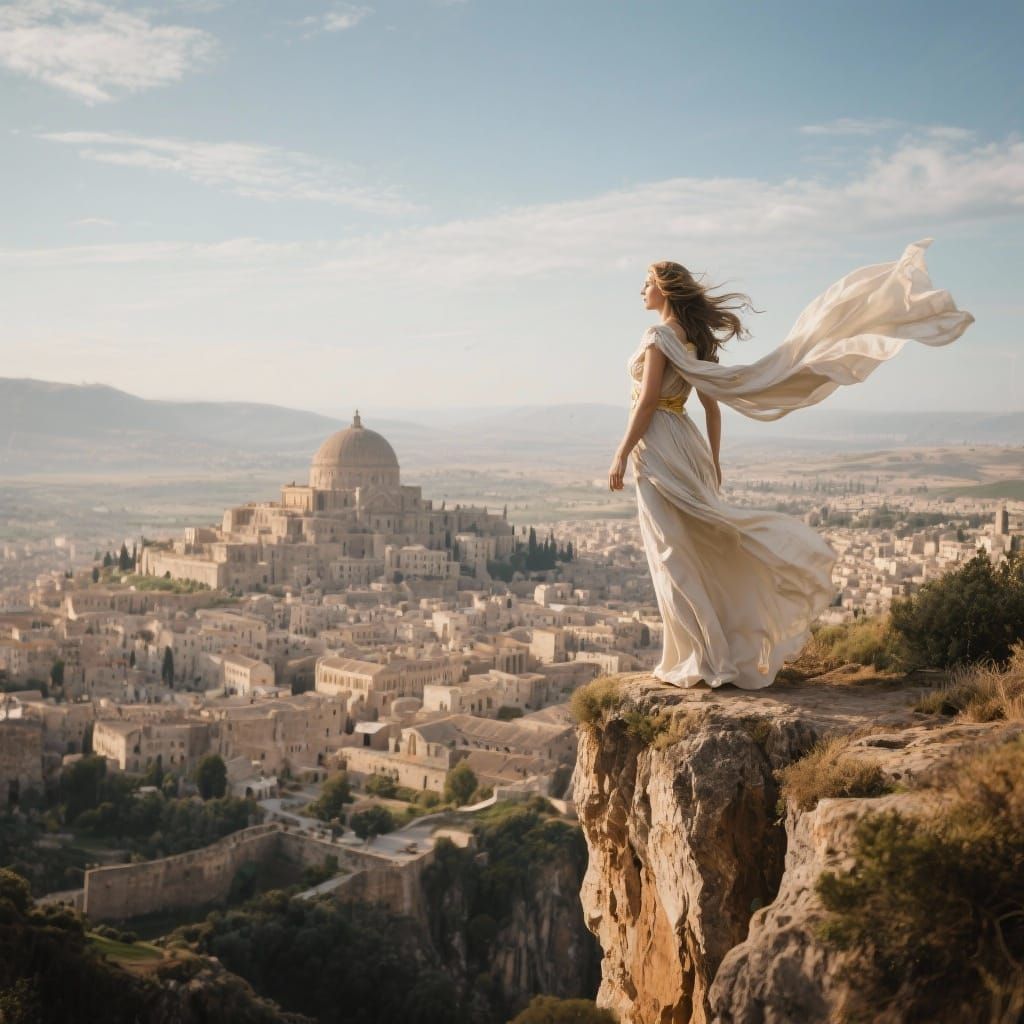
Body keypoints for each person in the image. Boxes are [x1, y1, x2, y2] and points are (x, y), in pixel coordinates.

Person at [608, 239, 973, 690]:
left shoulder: (657, 337)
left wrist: (621, 451)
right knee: (688, 547)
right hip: (685, 444)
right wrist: (713, 461)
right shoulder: (692, 340)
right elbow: (712, 408)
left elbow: (647, 402)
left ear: (665, 288)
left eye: (646, 282)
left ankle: (702, 657)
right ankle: (705, 653)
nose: (641, 289)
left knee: (670, 550)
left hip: (658, 444)